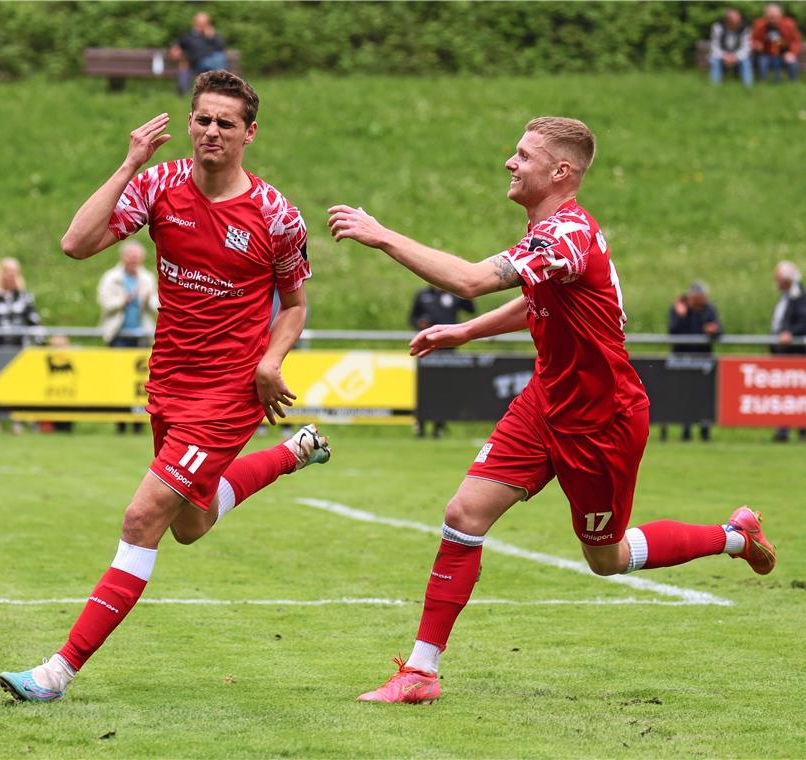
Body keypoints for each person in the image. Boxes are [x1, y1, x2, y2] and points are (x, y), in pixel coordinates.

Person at [328, 116, 776, 705]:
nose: (510, 163)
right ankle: (420, 672)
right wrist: (466, 334)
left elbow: (467, 278)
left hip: (601, 419)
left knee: (607, 559)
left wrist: (380, 234)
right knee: (464, 515)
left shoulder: (566, 234)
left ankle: (733, 536)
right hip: (546, 401)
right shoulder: (552, 235)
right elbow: (534, 298)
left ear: (560, 171)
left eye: (523, 155)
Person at [0, 70, 332, 702]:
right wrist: (128, 164)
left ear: (249, 133)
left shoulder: (276, 215)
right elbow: (75, 243)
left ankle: (56, 673)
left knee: (143, 516)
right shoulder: (159, 184)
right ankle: (291, 453)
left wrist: (270, 362)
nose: (211, 131)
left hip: (230, 392)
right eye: (202, 119)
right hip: (170, 382)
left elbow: (294, 304)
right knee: (190, 525)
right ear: (190, 123)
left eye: (225, 123)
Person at [0, 257, 41, 433]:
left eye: (14, 272)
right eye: (7, 272)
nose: (10, 276)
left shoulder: (24, 297)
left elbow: (34, 322)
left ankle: (16, 420)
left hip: (18, 349)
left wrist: (39, 343)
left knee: (17, 385)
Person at [98, 240, 159, 434]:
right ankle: (120, 422)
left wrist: (148, 299)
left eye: (137, 258)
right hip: (118, 334)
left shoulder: (147, 278)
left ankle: (139, 422)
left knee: (141, 380)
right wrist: (123, 300)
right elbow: (105, 302)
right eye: (131, 257)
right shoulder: (112, 278)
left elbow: (157, 304)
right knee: (118, 379)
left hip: (141, 334)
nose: (134, 261)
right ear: (123, 258)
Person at [409, 285, 476, 437]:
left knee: (444, 389)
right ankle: (420, 426)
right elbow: (412, 318)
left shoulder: (454, 294)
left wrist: (465, 290)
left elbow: (471, 308)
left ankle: (438, 426)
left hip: (448, 352)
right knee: (425, 390)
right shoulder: (422, 295)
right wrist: (420, 323)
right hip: (427, 351)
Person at [663, 281, 721, 442]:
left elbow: (719, 330)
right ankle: (686, 431)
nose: (701, 302)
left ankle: (705, 431)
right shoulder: (680, 309)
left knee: (704, 397)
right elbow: (673, 330)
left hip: (703, 360)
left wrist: (713, 330)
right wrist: (681, 315)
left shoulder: (709, 309)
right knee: (684, 396)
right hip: (682, 359)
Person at [770, 260, 806, 442]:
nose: (775, 282)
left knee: (797, 392)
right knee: (784, 394)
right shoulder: (786, 297)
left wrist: (790, 333)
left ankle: (799, 429)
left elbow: (803, 320)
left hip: (795, 353)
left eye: (778, 278)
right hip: (782, 352)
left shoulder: (799, 297)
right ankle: (783, 430)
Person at [169, 12, 228, 96]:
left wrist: (212, 37)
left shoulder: (211, 36)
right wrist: (175, 50)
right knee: (218, 59)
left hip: (212, 62)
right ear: (195, 23)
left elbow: (221, 47)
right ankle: (221, 87)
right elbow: (177, 46)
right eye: (200, 23)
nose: (202, 25)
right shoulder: (189, 36)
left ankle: (220, 88)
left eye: (205, 23)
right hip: (197, 63)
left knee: (218, 57)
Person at [751, 3, 801, 82]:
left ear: (780, 15)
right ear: (765, 15)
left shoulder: (789, 24)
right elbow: (753, 39)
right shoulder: (759, 24)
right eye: (770, 17)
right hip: (766, 53)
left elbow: (796, 41)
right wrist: (757, 45)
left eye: (775, 17)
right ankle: (762, 83)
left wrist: (792, 53)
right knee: (762, 61)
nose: (772, 20)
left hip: (784, 53)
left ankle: (793, 83)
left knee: (792, 61)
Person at [709, 8, 754, 87]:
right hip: (722, 54)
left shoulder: (744, 28)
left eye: (739, 20)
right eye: (734, 21)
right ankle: (715, 85)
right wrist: (724, 56)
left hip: (738, 54)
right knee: (714, 60)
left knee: (746, 61)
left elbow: (746, 47)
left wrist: (735, 56)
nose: (738, 23)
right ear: (727, 21)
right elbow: (714, 46)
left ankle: (748, 86)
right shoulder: (718, 27)